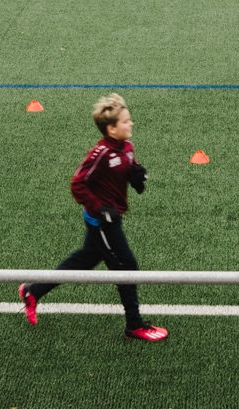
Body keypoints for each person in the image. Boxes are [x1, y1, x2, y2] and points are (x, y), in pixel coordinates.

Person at [18, 94, 168, 342]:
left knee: (85, 259)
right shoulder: (100, 153)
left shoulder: (127, 148)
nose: (131, 124)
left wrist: (137, 177)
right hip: (101, 222)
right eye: (126, 121)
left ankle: (33, 290)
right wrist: (99, 209)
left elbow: (128, 167)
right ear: (111, 128)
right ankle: (134, 324)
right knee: (126, 268)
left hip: (112, 216)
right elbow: (78, 184)